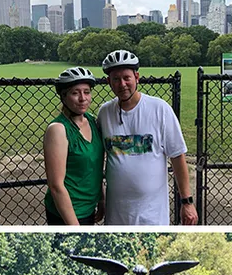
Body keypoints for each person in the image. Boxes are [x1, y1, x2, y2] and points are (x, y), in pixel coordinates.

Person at [96, 50, 196, 225]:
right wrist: (101, 199)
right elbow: (98, 159)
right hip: (117, 213)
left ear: (137, 77)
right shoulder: (105, 113)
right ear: (108, 82)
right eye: (116, 79)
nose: (122, 84)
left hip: (152, 214)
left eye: (127, 78)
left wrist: (186, 202)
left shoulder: (159, 109)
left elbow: (177, 156)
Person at [43, 67, 104, 225]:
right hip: (69, 213)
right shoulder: (58, 129)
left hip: (89, 208)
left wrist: (101, 199)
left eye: (87, 92)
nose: (83, 98)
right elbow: (56, 186)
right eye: (75, 93)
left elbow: (95, 167)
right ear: (64, 96)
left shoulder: (91, 120)